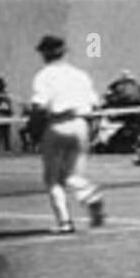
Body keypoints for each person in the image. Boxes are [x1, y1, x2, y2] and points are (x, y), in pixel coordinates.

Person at [30, 34, 105, 233]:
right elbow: (95, 104)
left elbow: (38, 106)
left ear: (45, 53)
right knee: (73, 176)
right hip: (81, 125)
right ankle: (90, 195)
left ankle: (65, 223)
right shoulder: (81, 75)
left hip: (58, 125)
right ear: (64, 52)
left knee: (53, 179)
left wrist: (34, 128)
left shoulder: (44, 75)